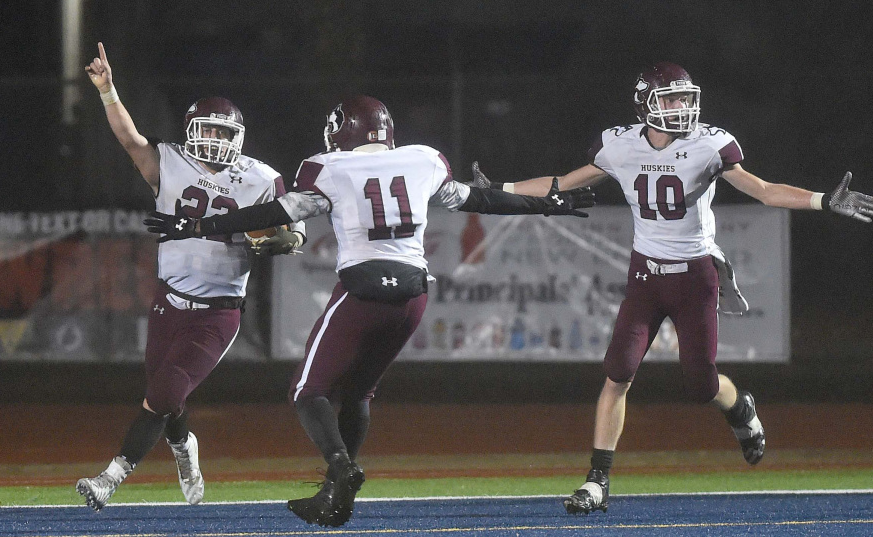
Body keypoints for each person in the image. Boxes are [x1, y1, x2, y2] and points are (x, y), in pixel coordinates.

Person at [145, 95, 595, 527]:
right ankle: (335, 495)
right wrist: (547, 205)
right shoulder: (423, 159)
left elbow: (272, 211)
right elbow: (479, 200)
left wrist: (198, 223)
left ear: (343, 130)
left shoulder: (328, 167)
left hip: (363, 291)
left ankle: (340, 468)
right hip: (414, 296)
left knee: (307, 391)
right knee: (358, 393)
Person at [471, 62, 873, 515]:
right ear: (646, 102)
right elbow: (558, 185)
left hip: (694, 276)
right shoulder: (619, 144)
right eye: (671, 99)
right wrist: (497, 190)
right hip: (645, 275)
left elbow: (763, 191)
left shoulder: (708, 144)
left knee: (700, 383)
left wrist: (823, 200)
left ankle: (740, 409)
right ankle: (598, 479)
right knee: (617, 372)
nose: (682, 107)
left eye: (686, 98)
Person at [76, 42, 305, 511]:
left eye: (225, 132)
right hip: (169, 300)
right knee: (164, 393)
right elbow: (130, 141)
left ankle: (110, 478)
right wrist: (107, 91)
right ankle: (184, 446)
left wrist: (281, 240)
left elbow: (294, 231)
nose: (217, 140)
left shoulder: (261, 178)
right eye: (210, 130)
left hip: (217, 312)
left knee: (162, 393)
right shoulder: (172, 161)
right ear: (192, 130)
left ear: (238, 137)